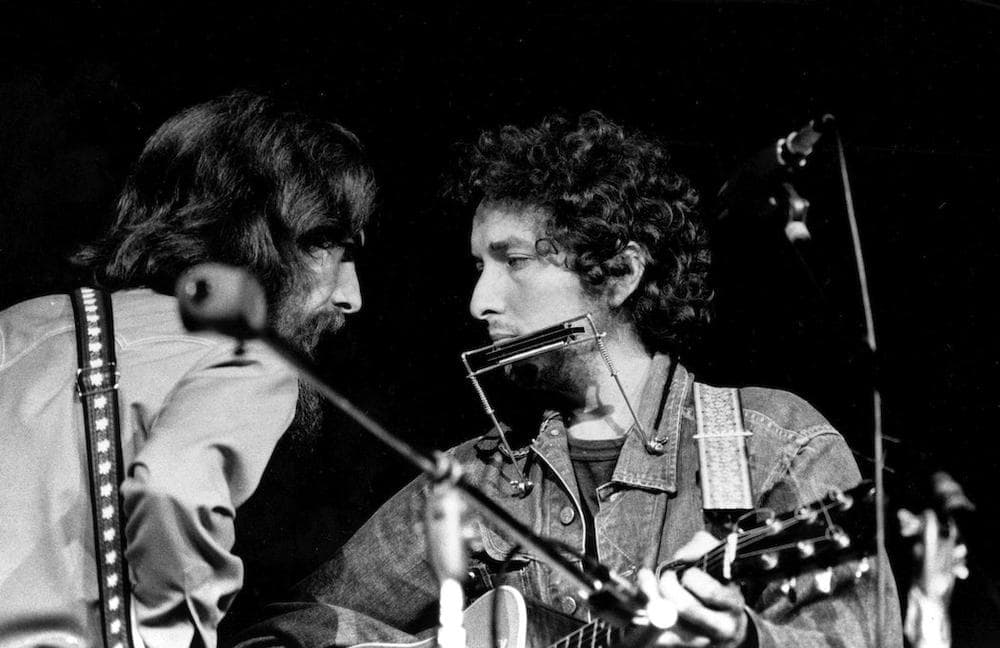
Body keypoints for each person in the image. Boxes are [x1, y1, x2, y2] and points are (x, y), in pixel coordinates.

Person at [235, 111, 901, 647]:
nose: (480, 302)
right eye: (478, 267)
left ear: (619, 273)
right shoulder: (479, 480)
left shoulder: (772, 443)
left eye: (513, 261)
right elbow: (283, 632)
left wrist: (744, 639)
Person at [0, 91, 376, 647]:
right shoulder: (243, 357)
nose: (351, 296)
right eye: (327, 245)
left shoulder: (19, 326)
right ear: (258, 238)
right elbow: (174, 489)